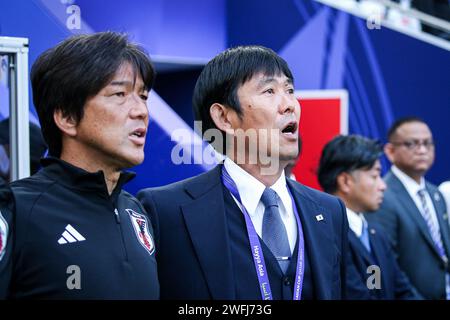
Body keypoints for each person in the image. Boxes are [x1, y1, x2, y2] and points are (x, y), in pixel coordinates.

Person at [138, 45, 349, 300]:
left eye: (290, 90)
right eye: (269, 91)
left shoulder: (329, 211)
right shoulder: (166, 211)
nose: (290, 105)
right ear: (224, 118)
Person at [0, 32, 159, 299]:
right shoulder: (16, 209)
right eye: (120, 94)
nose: (141, 111)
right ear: (67, 117)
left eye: (143, 96)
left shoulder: (137, 213)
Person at [318, 134, 421, 299]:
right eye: (374, 176)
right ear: (345, 181)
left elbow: (402, 290)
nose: (382, 185)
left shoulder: (376, 235)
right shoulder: (326, 235)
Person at [366, 117, 450, 299]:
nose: (422, 150)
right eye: (412, 144)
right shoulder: (382, 196)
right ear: (390, 151)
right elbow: (386, 262)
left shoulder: (436, 194)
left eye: (427, 143)